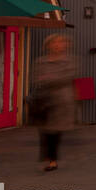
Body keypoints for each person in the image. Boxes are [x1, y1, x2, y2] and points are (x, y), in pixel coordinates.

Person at [32, 34, 77, 171]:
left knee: (55, 130)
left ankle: (52, 159)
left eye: (61, 43)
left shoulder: (69, 61)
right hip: (45, 101)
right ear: (48, 45)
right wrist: (48, 79)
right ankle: (49, 157)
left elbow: (66, 77)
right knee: (45, 130)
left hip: (62, 101)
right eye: (54, 43)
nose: (57, 46)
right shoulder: (41, 61)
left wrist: (48, 79)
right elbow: (37, 78)